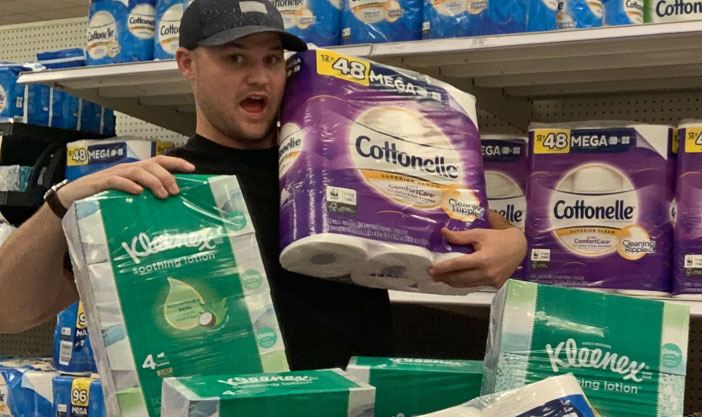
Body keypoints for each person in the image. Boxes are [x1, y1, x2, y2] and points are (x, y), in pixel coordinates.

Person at [0, 0, 526, 369]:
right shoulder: (160, 186)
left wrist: (513, 243)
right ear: (187, 64)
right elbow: (10, 311)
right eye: (235, 59)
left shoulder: (333, 169)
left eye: (272, 60)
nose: (260, 78)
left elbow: (467, 219)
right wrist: (63, 201)